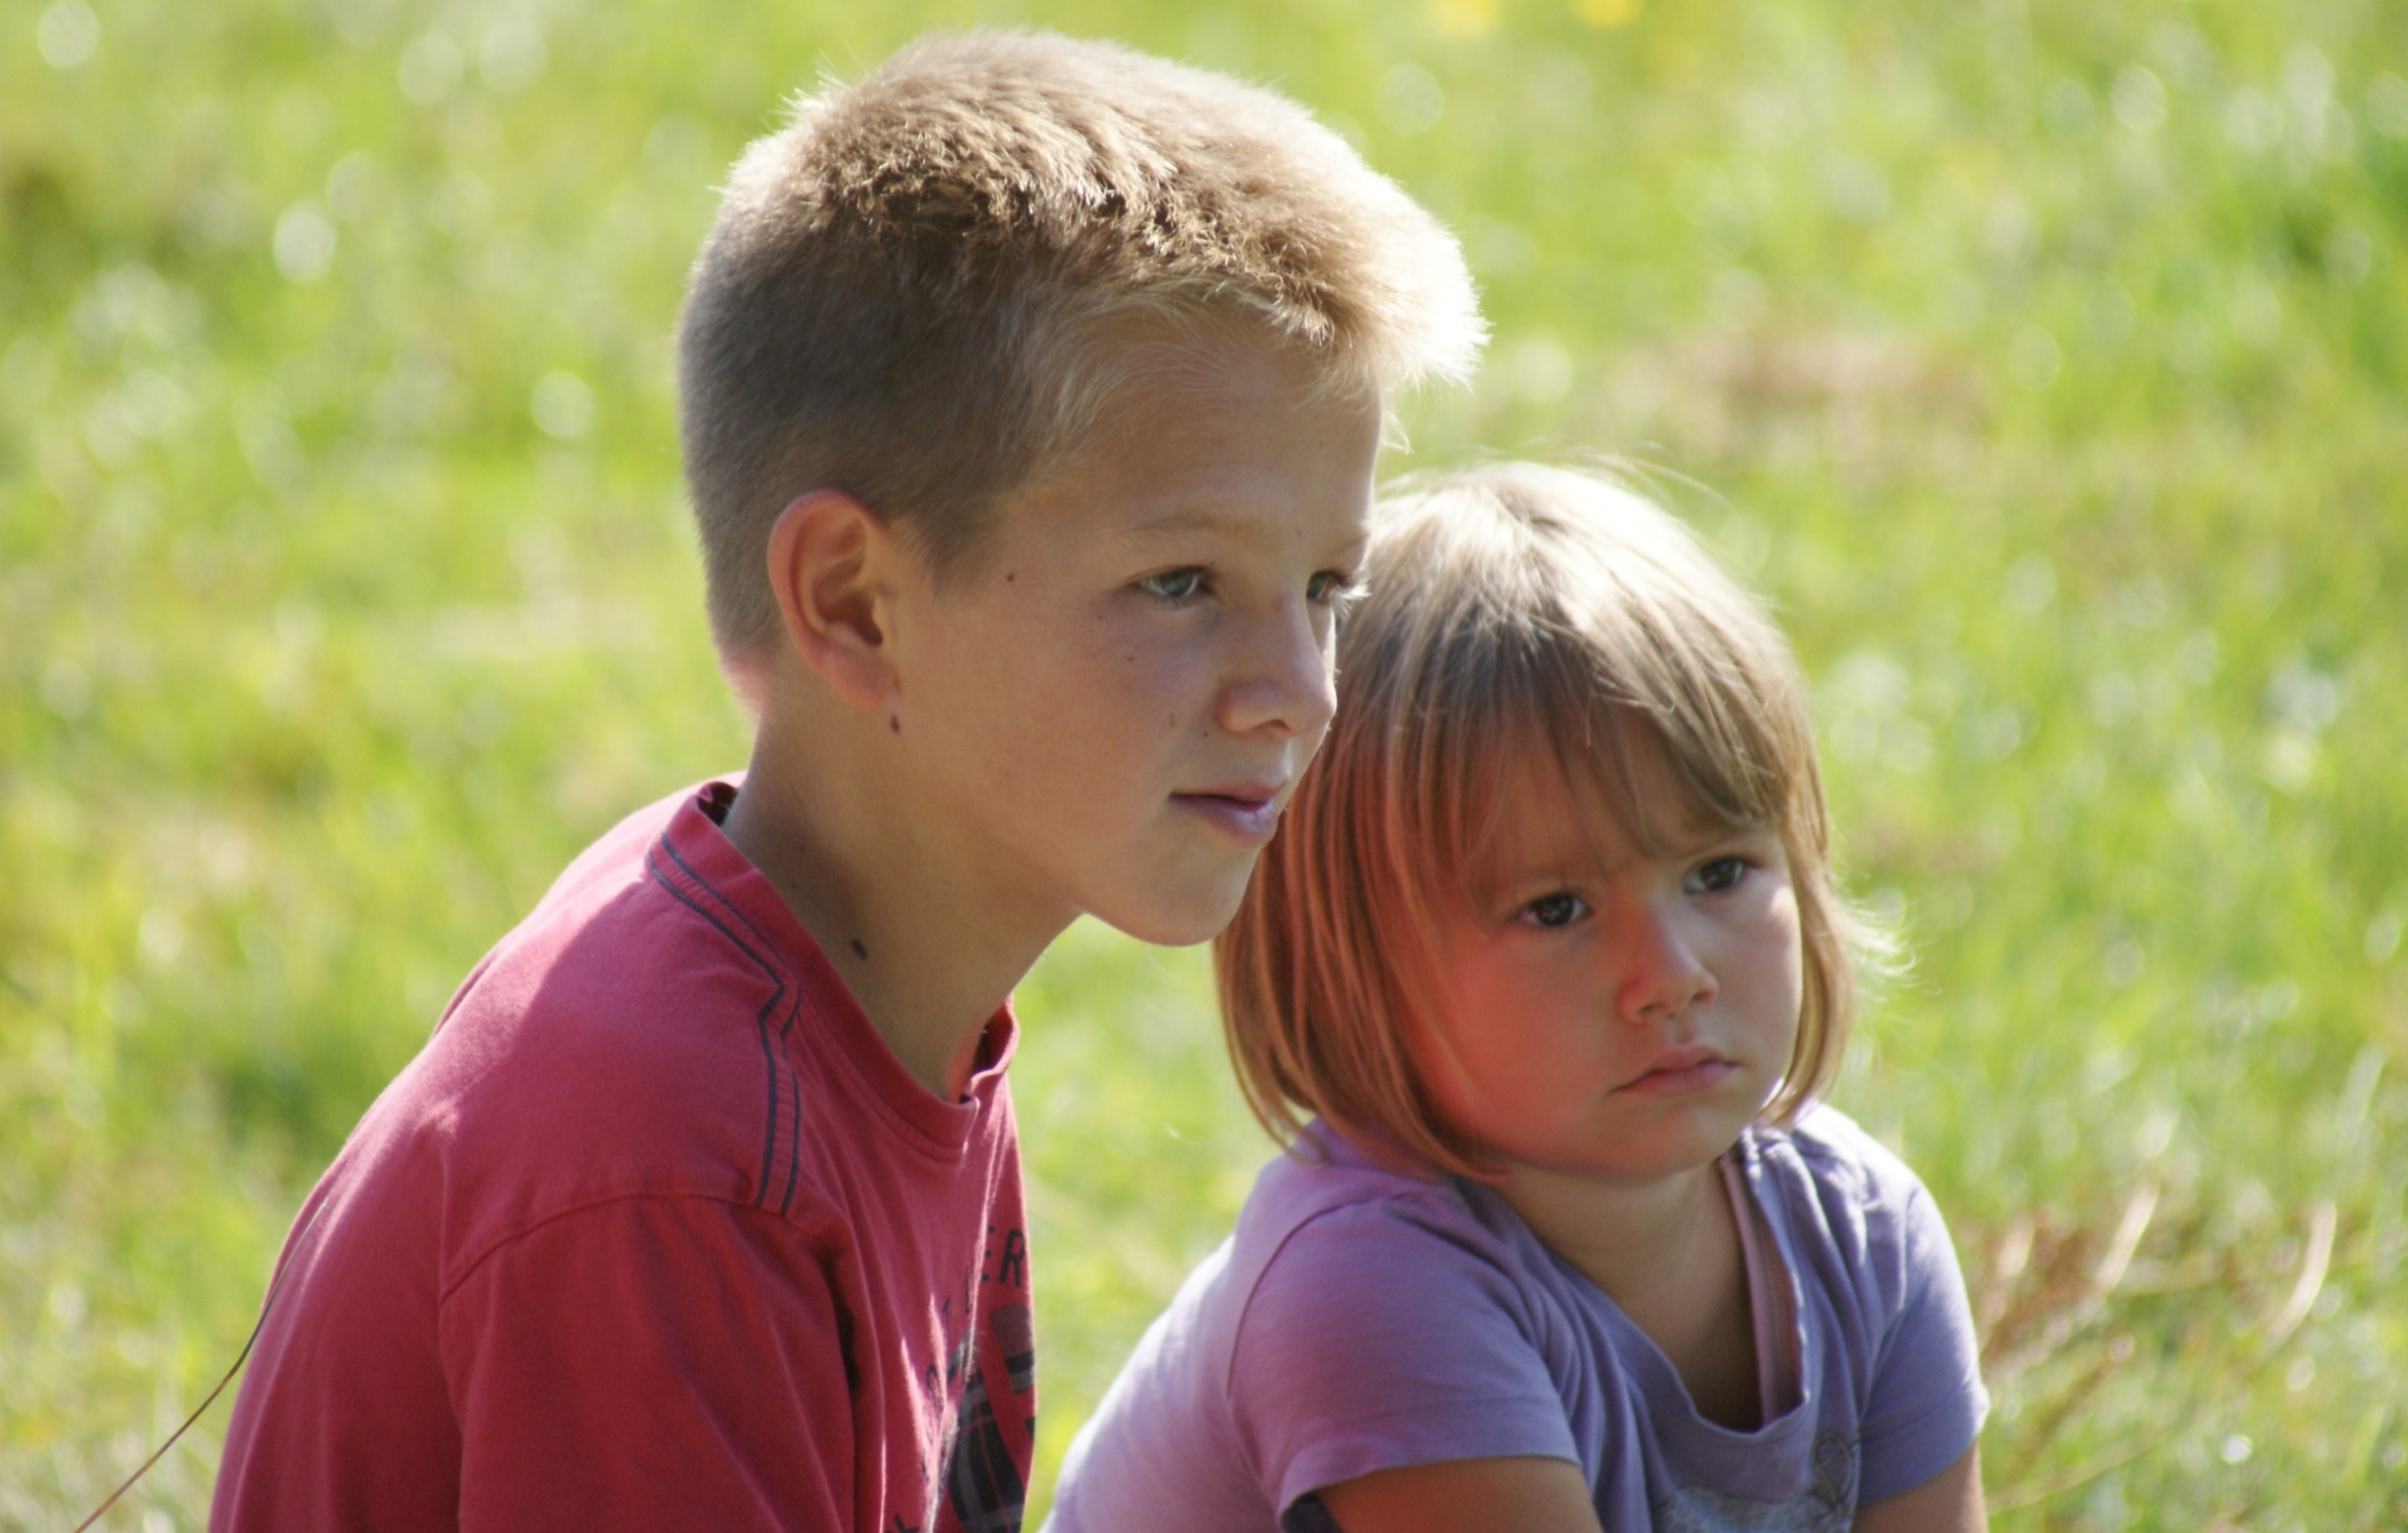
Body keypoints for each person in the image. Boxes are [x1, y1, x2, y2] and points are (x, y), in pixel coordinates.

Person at [207, 31, 1481, 1533]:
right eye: (1181, 582)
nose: (1300, 691)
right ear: (855, 603)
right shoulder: (680, 1164)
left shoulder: (874, 975)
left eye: (1326, 587)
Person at [1048, 464, 1988, 1533]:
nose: (1672, 974)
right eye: (1555, 909)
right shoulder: (1373, 1291)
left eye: (1720, 872)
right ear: (1348, 963)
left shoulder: (1861, 1236)